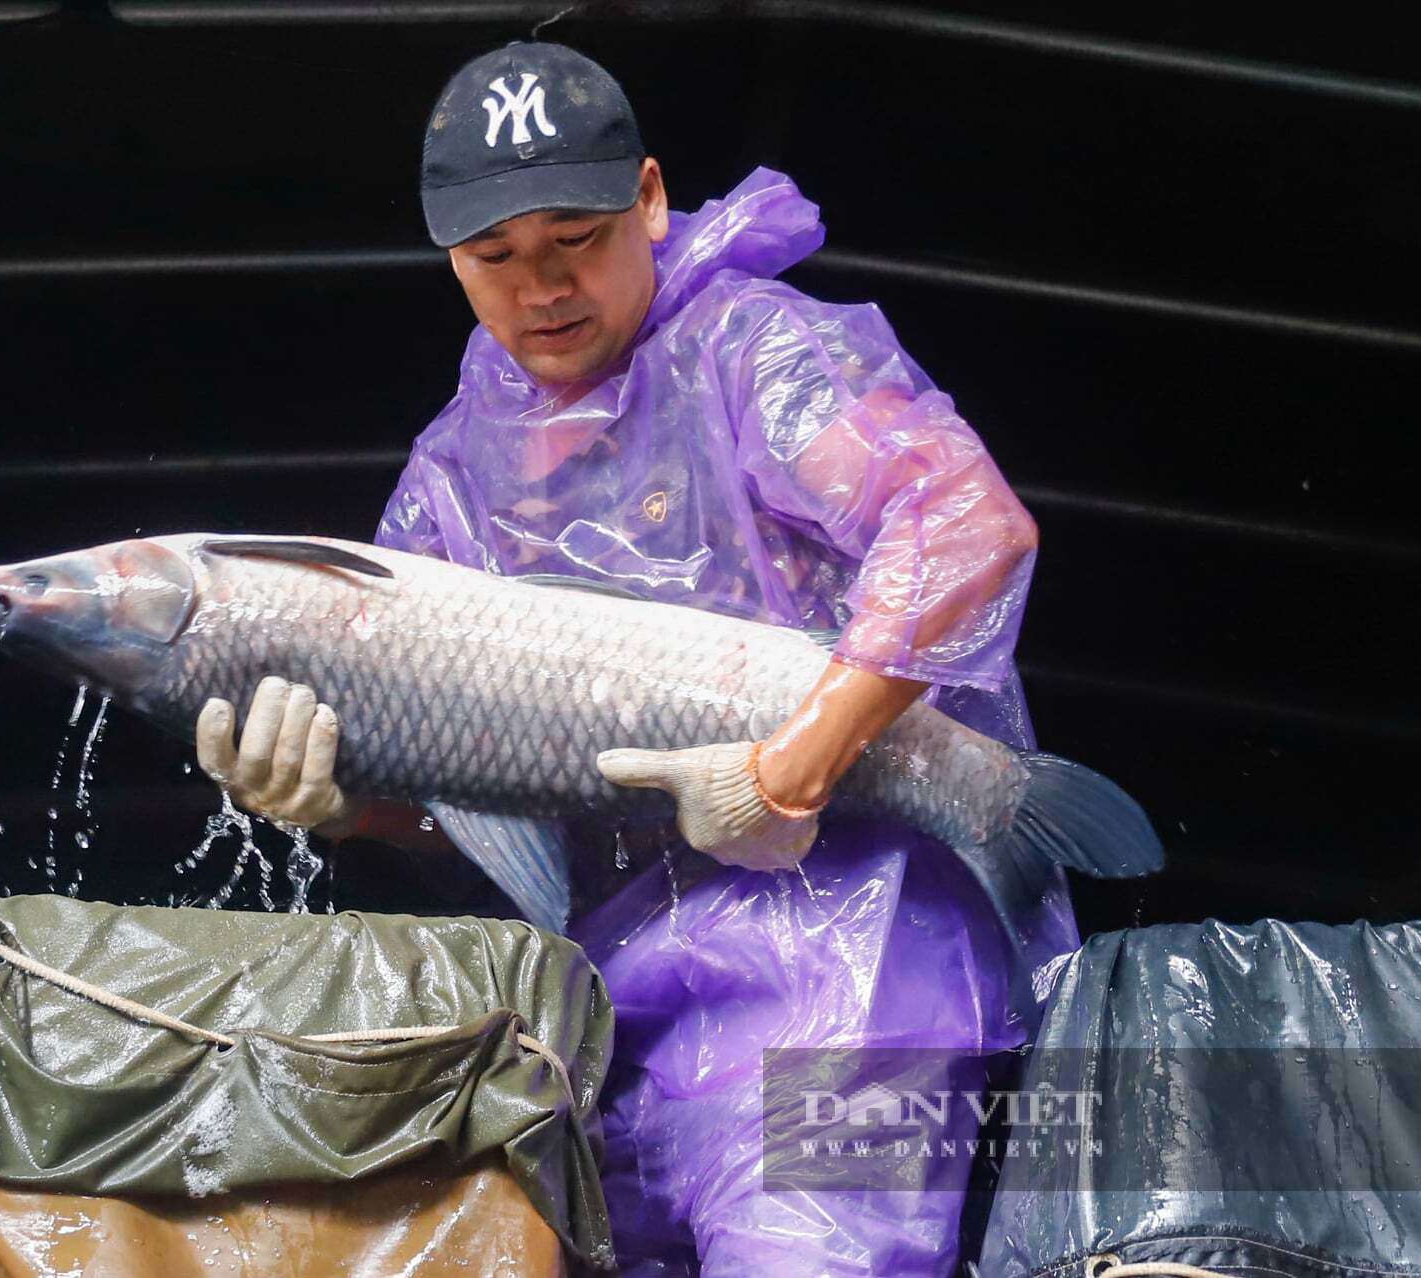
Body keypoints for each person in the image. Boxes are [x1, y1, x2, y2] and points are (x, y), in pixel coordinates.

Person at [194, 41, 1079, 1277]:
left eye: (577, 238)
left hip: (859, 971)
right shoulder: (449, 485)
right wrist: (344, 807)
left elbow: (964, 526)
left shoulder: (751, 350)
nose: (540, 286)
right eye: (494, 258)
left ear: (651, 200)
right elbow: (482, 823)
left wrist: (795, 769)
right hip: (621, 1019)